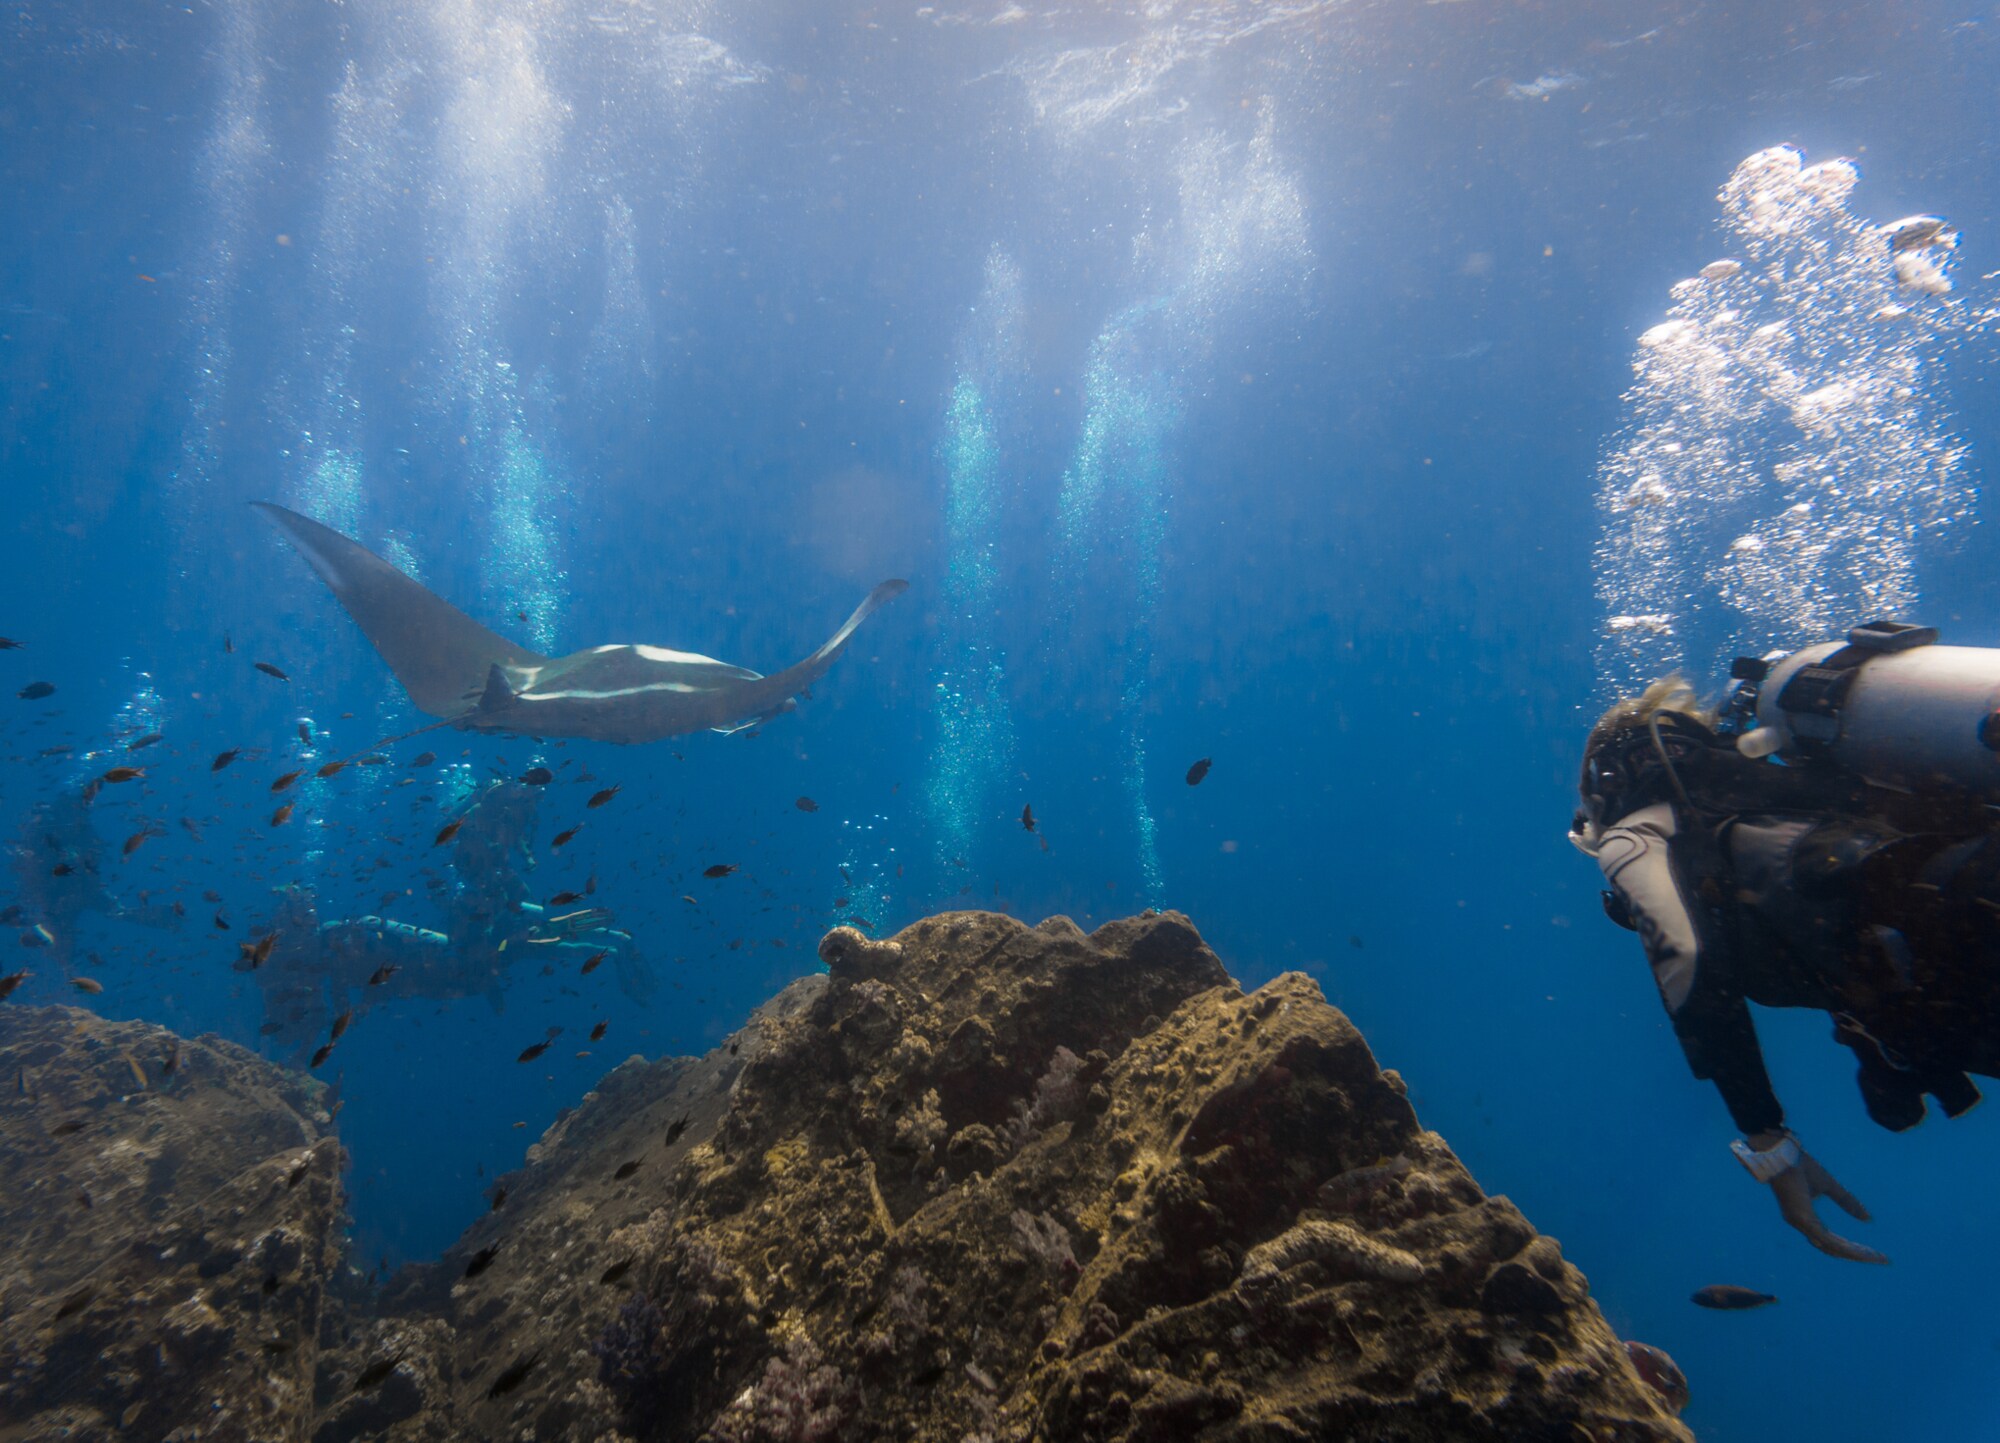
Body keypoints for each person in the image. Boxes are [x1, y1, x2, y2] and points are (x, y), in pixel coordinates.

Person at [1573, 620, 2000, 1264]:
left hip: (1960, 945)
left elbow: (1684, 956)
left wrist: (1768, 1144)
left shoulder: (1634, 833)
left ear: (1605, 783)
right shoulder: (1783, 791)